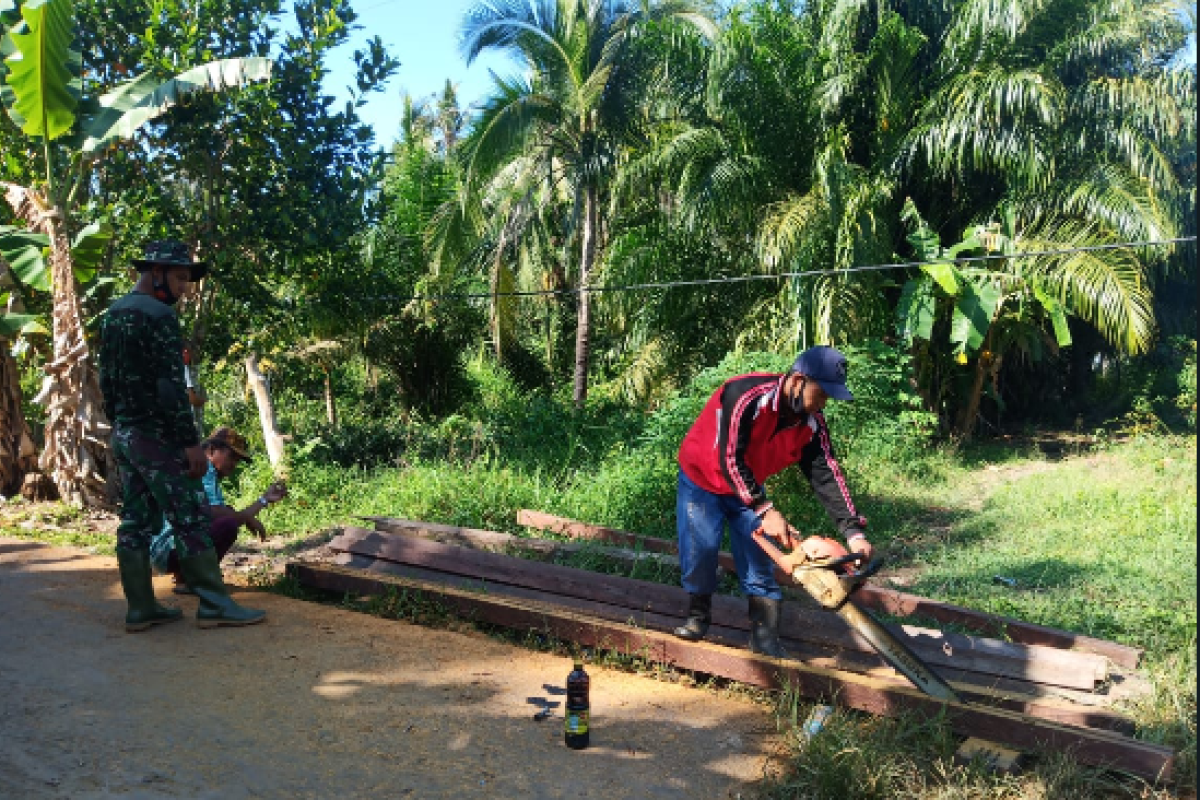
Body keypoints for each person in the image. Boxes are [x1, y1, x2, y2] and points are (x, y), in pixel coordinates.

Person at [99, 239, 266, 631]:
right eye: (178, 278)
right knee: (190, 516)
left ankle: (140, 608)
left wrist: (120, 422)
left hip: (125, 433)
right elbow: (170, 388)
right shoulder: (158, 316)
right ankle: (213, 604)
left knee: (135, 521)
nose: (184, 288)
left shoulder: (113, 314)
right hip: (158, 437)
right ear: (154, 272)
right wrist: (191, 442)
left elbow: (105, 379)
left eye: (186, 280)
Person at [672, 345, 874, 657]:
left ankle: (764, 637)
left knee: (758, 556)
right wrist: (765, 509)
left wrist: (854, 532)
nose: (822, 404)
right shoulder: (744, 396)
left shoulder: (811, 423)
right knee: (701, 551)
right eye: (820, 394)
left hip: (747, 488)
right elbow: (729, 457)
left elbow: (827, 475)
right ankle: (698, 616)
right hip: (703, 479)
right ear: (797, 381)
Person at [149, 426, 288, 594]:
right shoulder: (204, 468)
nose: (234, 464)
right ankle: (196, 579)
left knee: (227, 517)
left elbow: (217, 510)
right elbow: (214, 512)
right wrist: (254, 510)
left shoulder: (199, 469)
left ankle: (185, 575)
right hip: (169, 550)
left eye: (238, 460)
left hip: (162, 551)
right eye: (232, 457)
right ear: (212, 450)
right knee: (227, 525)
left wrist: (253, 511)